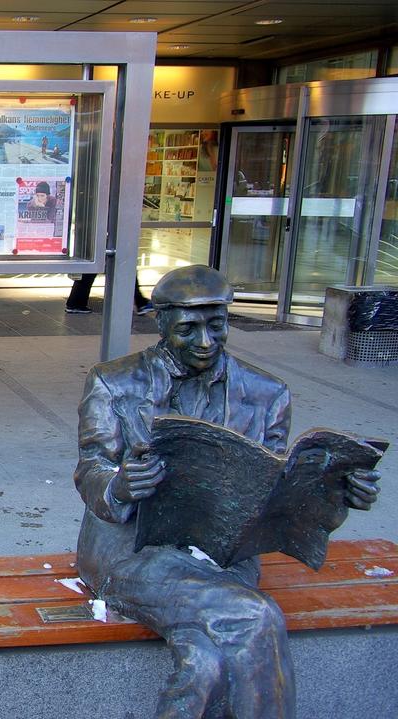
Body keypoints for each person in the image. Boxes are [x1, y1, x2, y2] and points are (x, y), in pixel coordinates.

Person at [72, 265, 379, 719]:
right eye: (188, 329)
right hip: (130, 550)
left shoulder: (267, 394)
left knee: (207, 660)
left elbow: (275, 496)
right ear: (160, 323)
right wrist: (118, 485)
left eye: (217, 326)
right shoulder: (113, 382)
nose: (205, 342)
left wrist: (333, 494)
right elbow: (90, 468)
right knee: (256, 617)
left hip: (225, 555)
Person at [66, 273, 153, 315]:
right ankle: (141, 303)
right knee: (127, 266)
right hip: (110, 241)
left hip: (100, 240)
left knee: (90, 269)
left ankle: (75, 303)